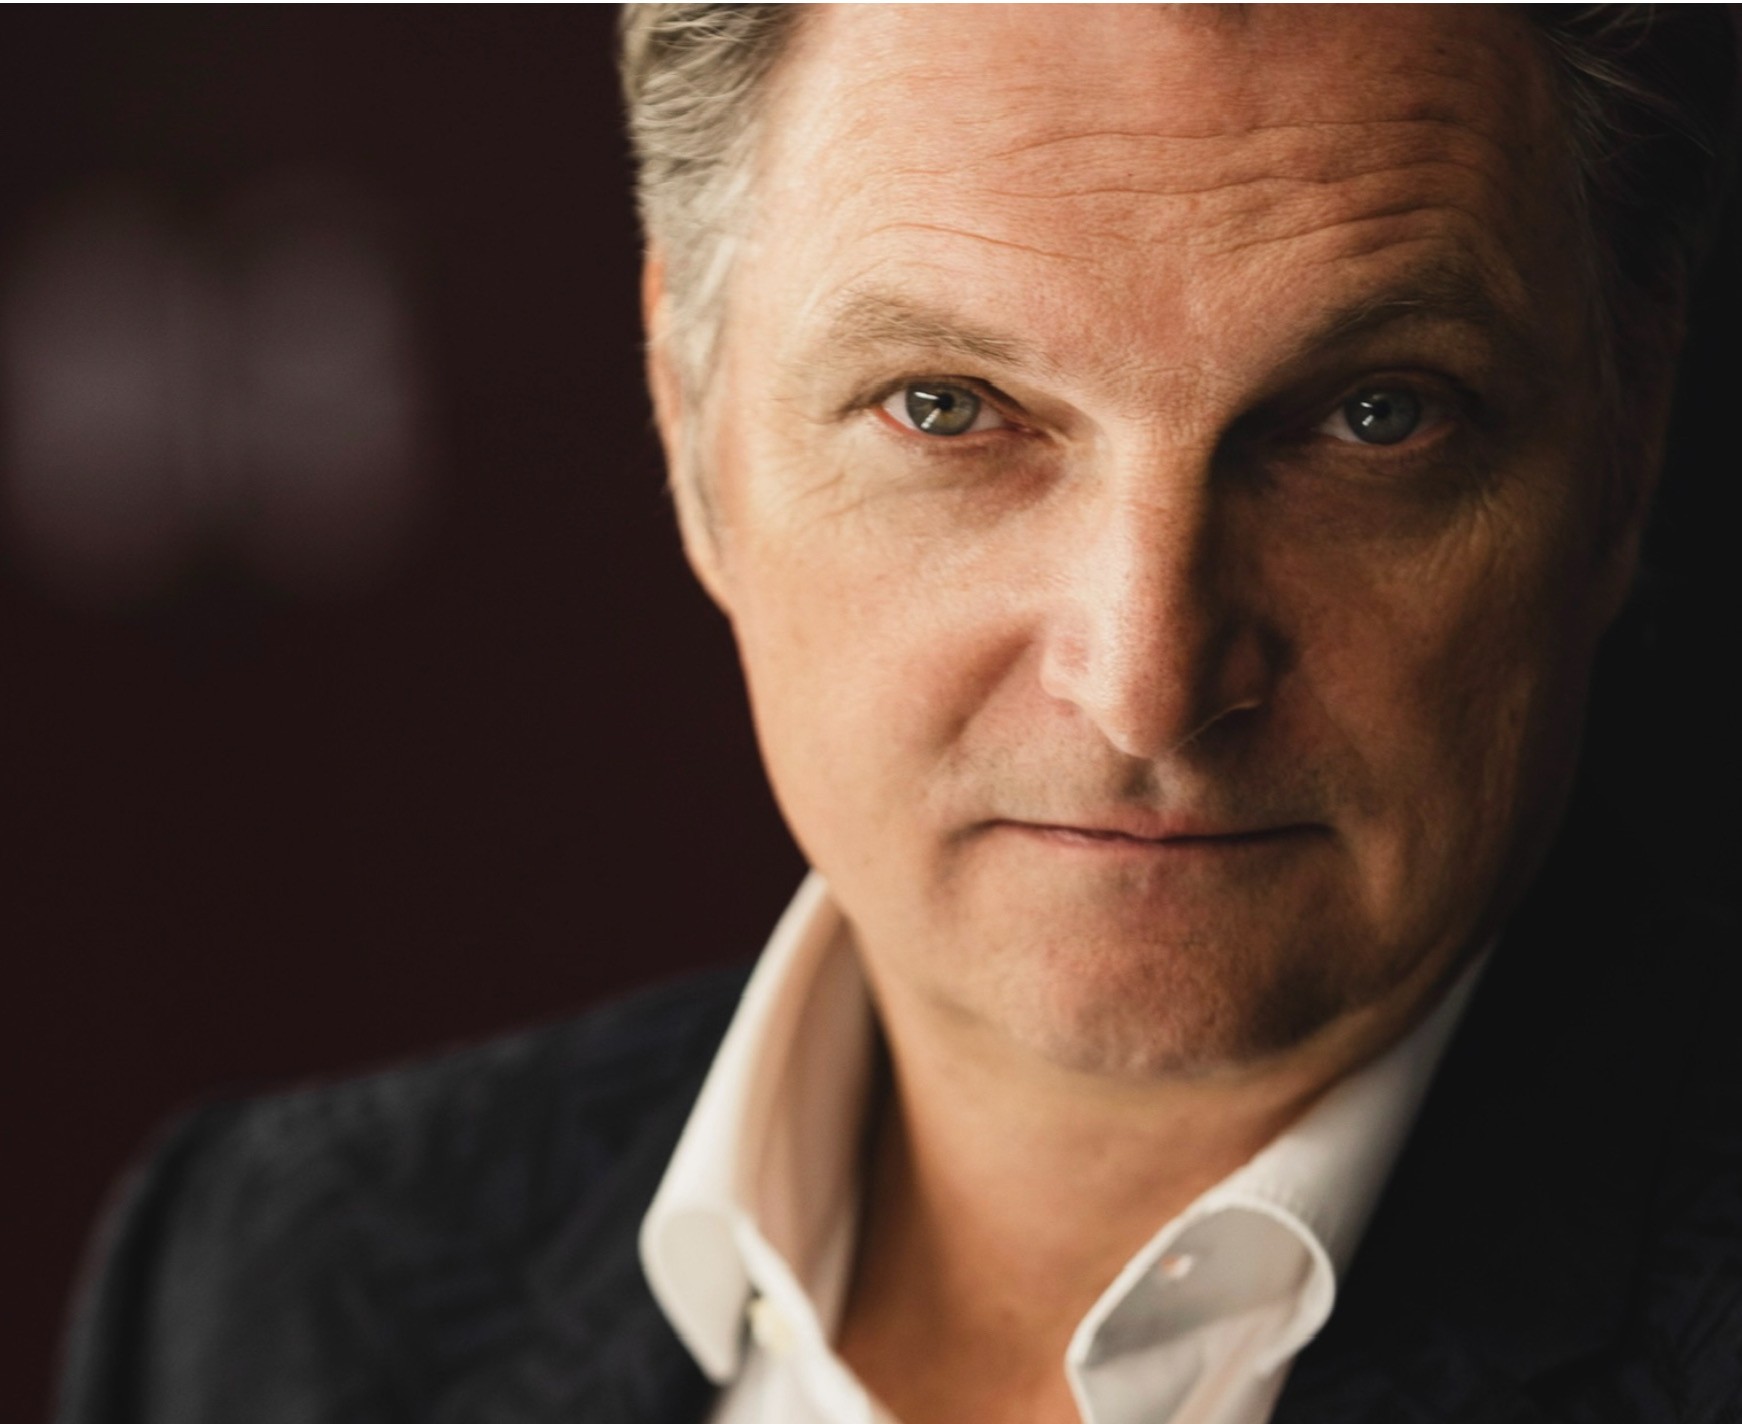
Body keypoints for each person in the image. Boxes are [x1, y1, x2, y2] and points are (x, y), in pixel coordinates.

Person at [56, 6, 1740, 1423]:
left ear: (1627, 439)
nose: (1146, 683)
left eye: (1375, 417)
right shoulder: (273, 1278)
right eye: (946, 409)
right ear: (690, 421)